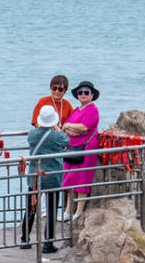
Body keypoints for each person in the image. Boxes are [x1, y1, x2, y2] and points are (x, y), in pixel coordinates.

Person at [23, 105, 68, 252]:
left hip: (35, 175)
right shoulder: (57, 136)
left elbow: (32, 137)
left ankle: (25, 238)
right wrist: (58, 129)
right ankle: (48, 243)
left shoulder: (32, 135)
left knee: (31, 206)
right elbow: (66, 141)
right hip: (53, 175)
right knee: (51, 208)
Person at [61, 80, 102, 220]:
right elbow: (66, 127)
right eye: (80, 92)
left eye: (86, 92)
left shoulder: (93, 110)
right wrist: (71, 128)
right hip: (72, 147)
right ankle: (67, 210)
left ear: (92, 95)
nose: (83, 95)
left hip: (86, 148)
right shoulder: (76, 110)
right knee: (69, 177)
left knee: (82, 178)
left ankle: (78, 212)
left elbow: (84, 127)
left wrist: (70, 126)